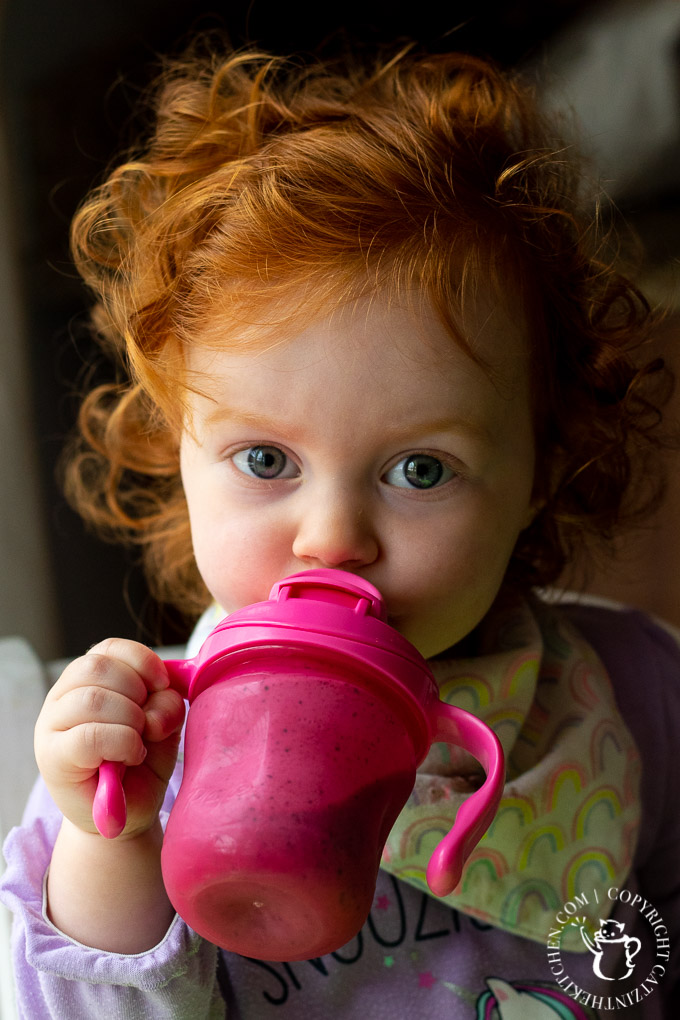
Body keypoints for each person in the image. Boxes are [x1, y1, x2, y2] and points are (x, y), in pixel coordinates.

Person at [2, 41, 679, 1018]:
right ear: (178, 449)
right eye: (266, 461)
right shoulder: (145, 749)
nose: (331, 536)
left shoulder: (630, 698)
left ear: (538, 470)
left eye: (419, 469)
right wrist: (112, 842)